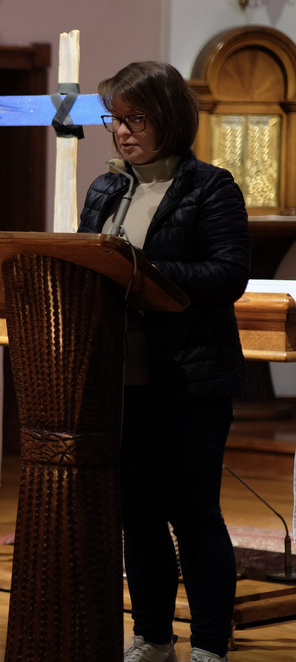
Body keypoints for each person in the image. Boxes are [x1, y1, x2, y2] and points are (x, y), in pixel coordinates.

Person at [78, 62, 250, 662]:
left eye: (135, 118)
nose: (122, 132)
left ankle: (209, 647)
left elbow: (228, 275)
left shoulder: (211, 188)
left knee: (194, 516)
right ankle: (152, 637)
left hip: (188, 378)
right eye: (115, 120)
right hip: (118, 382)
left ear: (169, 118)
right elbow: (87, 268)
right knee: (139, 518)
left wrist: (141, 272)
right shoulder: (106, 190)